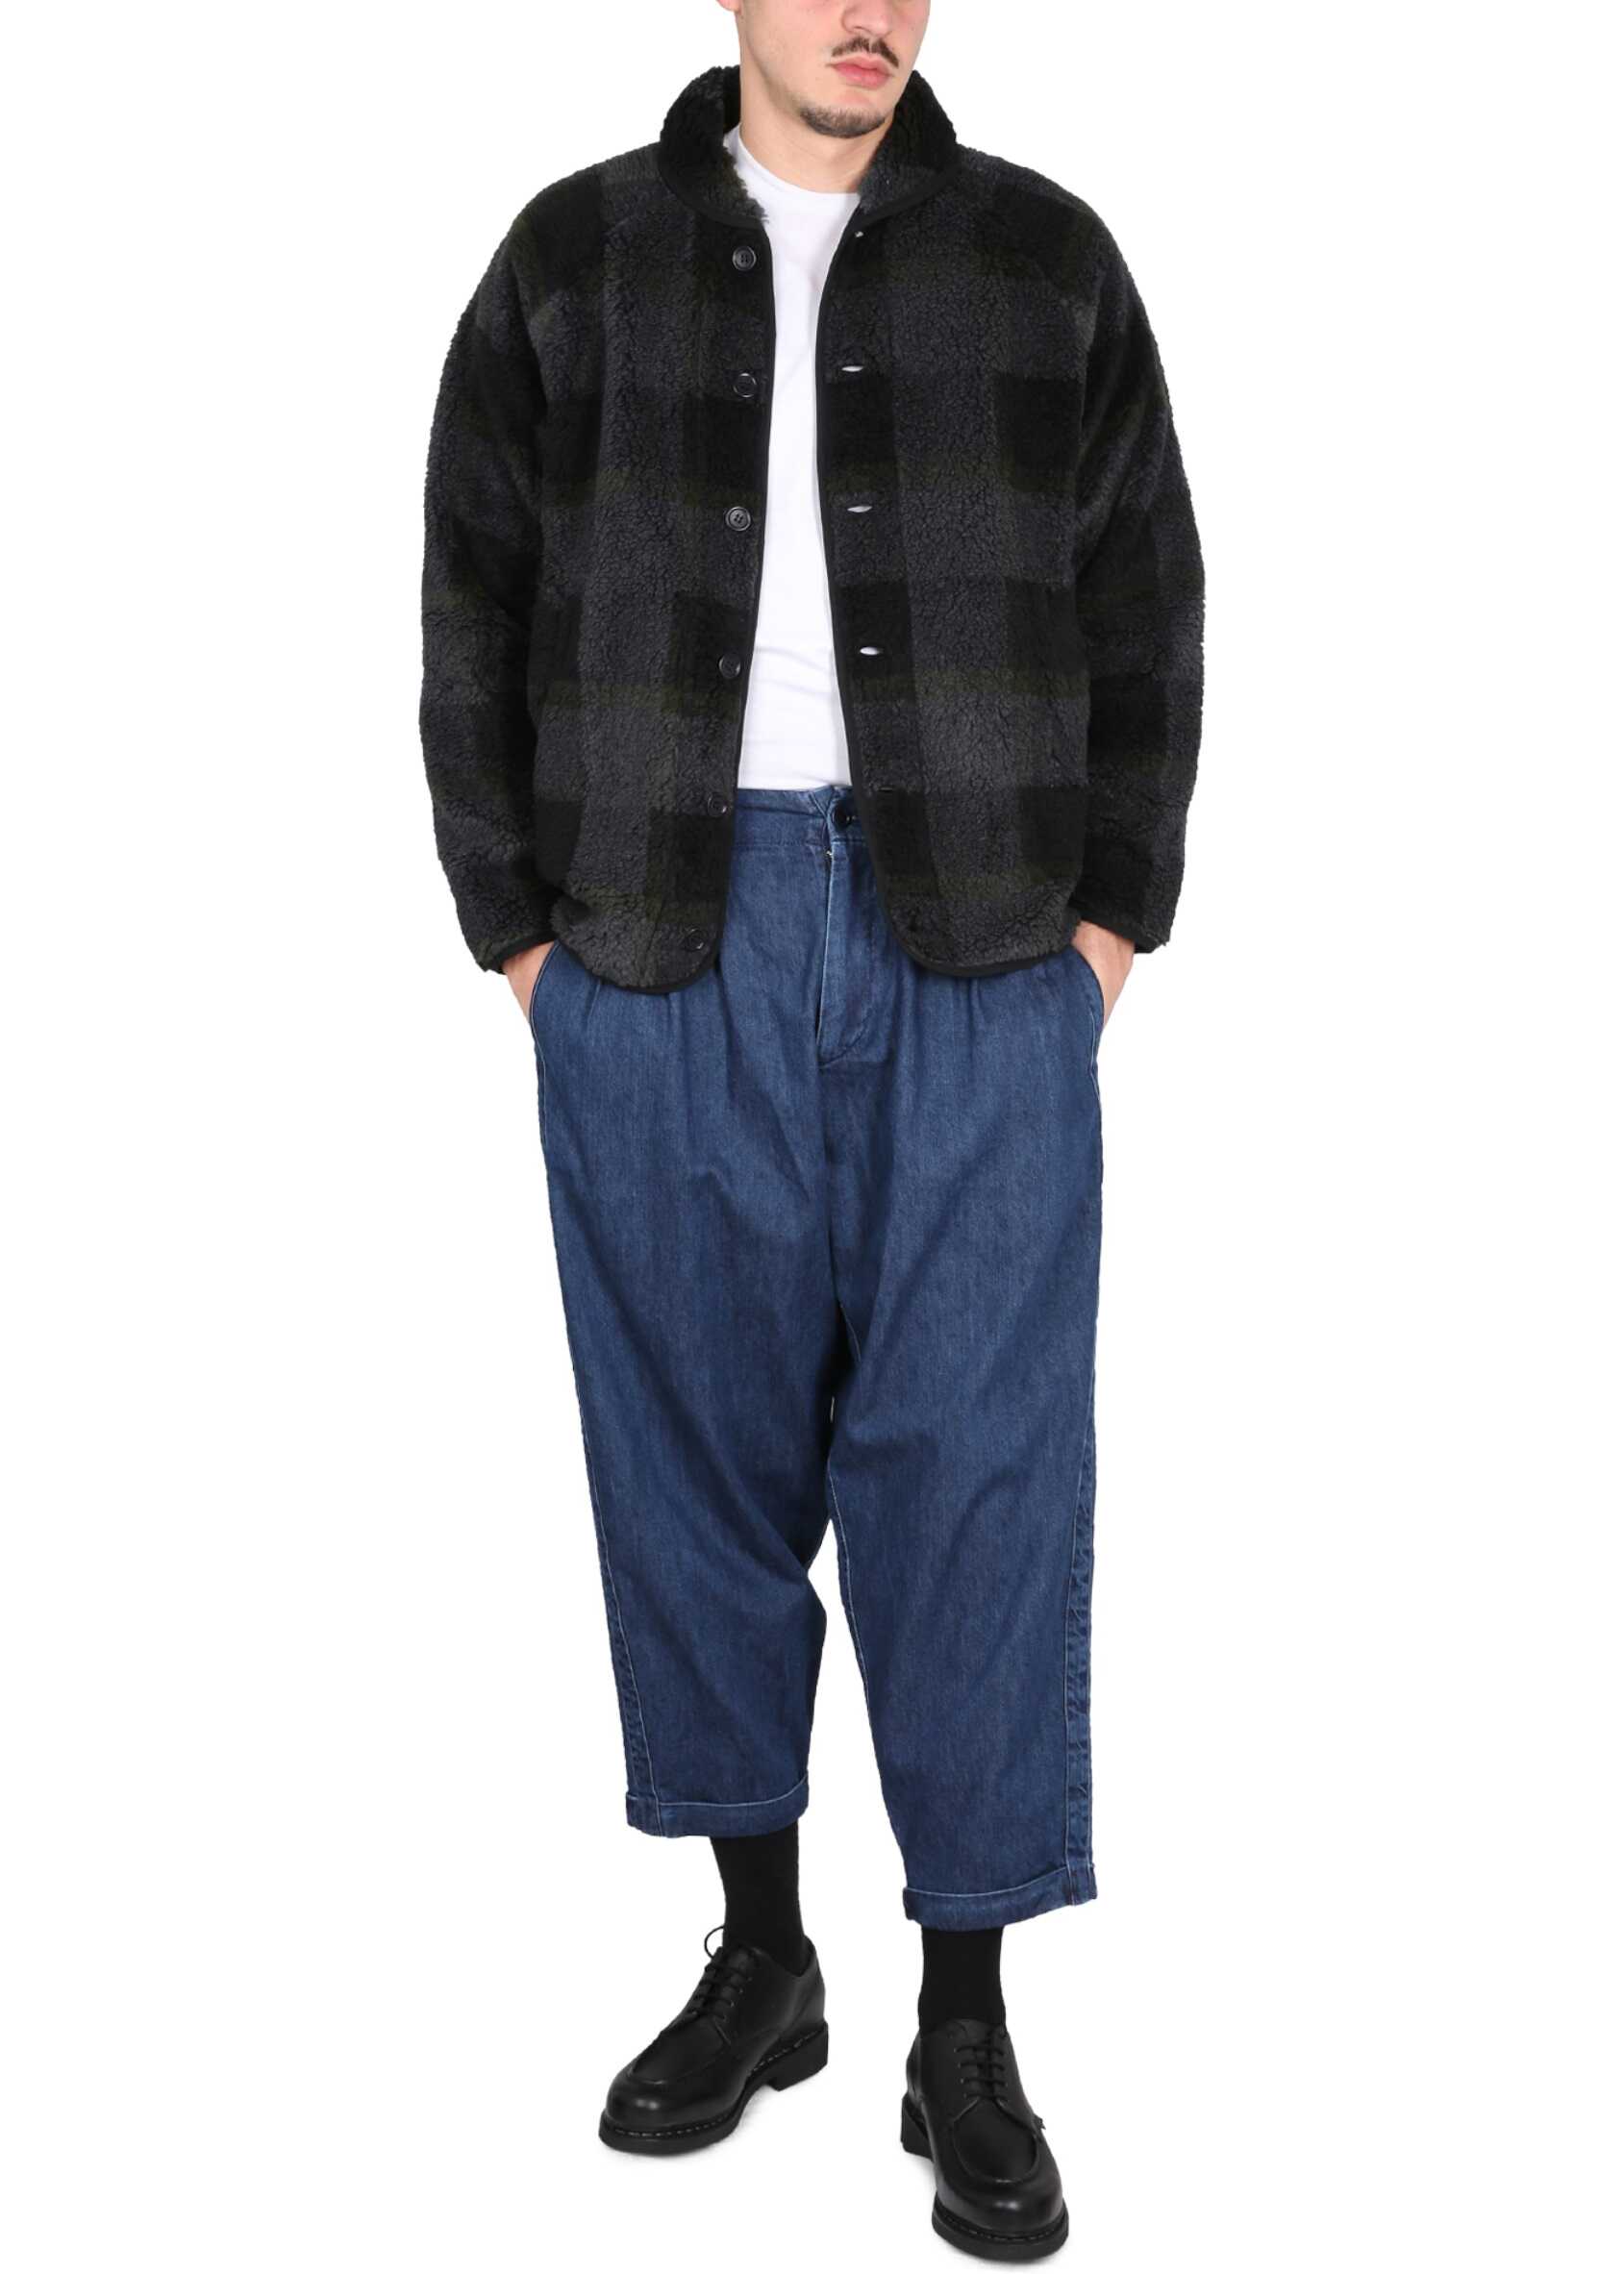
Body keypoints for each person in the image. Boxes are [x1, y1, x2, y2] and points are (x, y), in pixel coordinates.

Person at [418, 2, 1203, 2255]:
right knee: (693, 1458)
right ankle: (760, 1954)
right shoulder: (572, 259)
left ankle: (965, 2021)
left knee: (975, 1473)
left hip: (983, 940)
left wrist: (1104, 930)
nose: (870, 8)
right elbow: (470, 591)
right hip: (658, 934)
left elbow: (1146, 603)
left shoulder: (1043, 260)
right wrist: (520, 943)